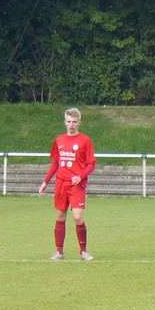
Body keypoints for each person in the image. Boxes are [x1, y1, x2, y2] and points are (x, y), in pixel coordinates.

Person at [39, 108, 96, 261]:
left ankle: (83, 251)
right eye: (69, 121)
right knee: (60, 216)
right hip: (61, 183)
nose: (71, 125)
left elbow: (91, 164)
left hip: (76, 184)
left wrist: (80, 176)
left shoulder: (85, 140)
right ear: (65, 122)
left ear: (79, 123)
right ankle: (59, 252)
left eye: (74, 122)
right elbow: (55, 163)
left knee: (78, 217)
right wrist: (45, 182)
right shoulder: (59, 140)